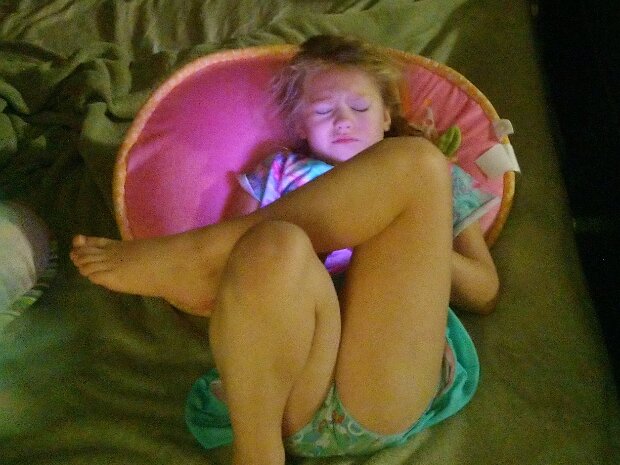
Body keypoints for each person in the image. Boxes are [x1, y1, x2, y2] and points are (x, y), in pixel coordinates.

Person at [70, 35, 499, 464]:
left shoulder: (435, 178)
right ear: (300, 125)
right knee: (274, 242)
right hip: (284, 393)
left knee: (417, 163)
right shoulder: (277, 174)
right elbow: (239, 287)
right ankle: (256, 453)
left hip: (383, 384)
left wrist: (406, 236)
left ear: (387, 116)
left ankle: (202, 253)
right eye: (324, 110)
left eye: (360, 107)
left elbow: (484, 292)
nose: (344, 120)